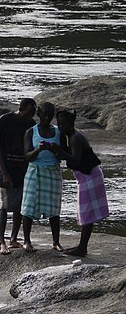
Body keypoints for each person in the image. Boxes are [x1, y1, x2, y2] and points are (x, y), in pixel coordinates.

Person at [56, 110, 109, 257]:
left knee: (87, 213)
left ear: (71, 124)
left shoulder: (75, 137)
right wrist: (60, 144)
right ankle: (82, 246)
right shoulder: (71, 135)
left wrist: (58, 151)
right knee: (86, 212)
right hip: (88, 175)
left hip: (90, 176)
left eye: (63, 125)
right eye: (59, 124)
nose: (60, 127)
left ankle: (82, 248)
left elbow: (75, 160)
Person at [0, 98, 37, 254]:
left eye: (32, 114)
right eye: (28, 113)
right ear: (20, 109)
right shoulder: (5, 120)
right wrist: (4, 173)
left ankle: (13, 239)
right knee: (5, 205)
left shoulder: (31, 124)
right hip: (7, 168)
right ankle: (1, 241)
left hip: (24, 169)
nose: (30, 117)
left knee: (21, 206)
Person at [21, 102, 63, 252]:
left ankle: (56, 242)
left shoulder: (58, 132)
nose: (46, 118)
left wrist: (55, 149)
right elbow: (26, 156)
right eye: (44, 115)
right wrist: (38, 150)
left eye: (49, 116)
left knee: (54, 208)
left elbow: (62, 155)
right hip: (35, 171)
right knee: (28, 206)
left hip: (53, 171)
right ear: (38, 114)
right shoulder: (31, 132)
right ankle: (26, 241)